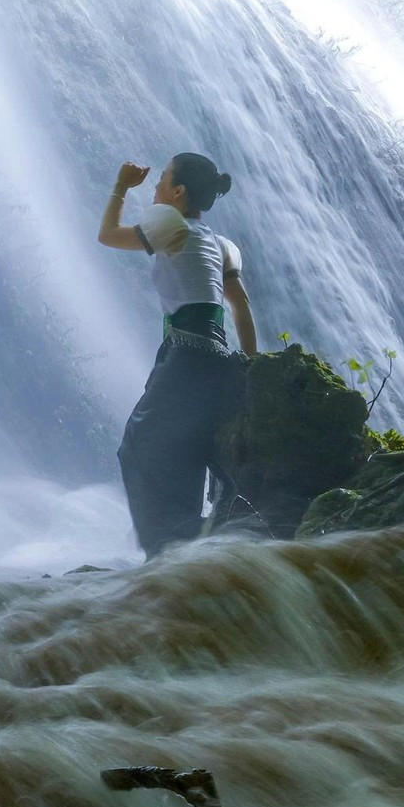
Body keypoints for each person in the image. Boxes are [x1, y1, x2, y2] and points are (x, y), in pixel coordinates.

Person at [98, 152, 258, 557]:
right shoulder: (221, 245)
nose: (154, 188)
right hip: (217, 359)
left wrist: (120, 187)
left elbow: (108, 235)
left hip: (186, 358)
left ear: (179, 191)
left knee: (139, 446)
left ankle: (165, 554)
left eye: (161, 180)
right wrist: (251, 366)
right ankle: (184, 553)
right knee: (186, 452)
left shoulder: (168, 223)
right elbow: (240, 306)